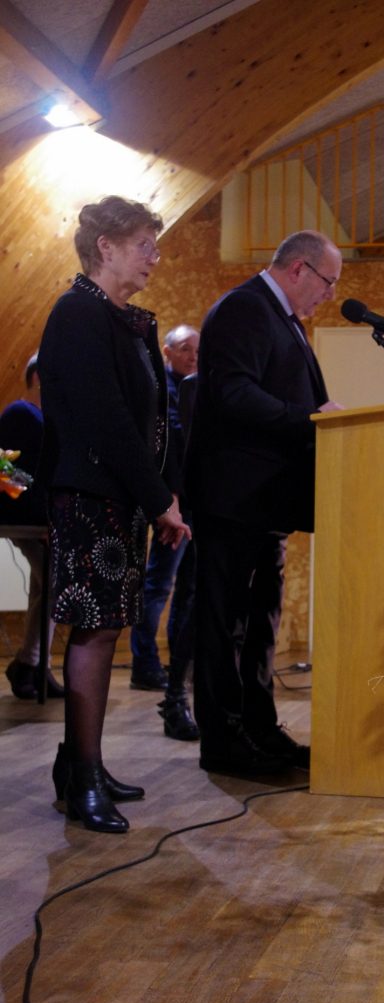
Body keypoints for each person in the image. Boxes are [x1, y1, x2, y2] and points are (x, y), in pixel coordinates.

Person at [38, 195, 191, 833]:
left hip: (118, 498)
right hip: (89, 497)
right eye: (142, 245)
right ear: (105, 247)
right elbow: (106, 419)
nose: (154, 256)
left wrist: (157, 494)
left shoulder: (122, 319)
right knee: (95, 632)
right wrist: (159, 499)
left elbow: (152, 421)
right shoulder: (78, 312)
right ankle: (82, 779)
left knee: (105, 631)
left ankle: (84, 766)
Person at [186, 229, 343, 775]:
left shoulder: (282, 318)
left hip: (265, 503)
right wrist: (309, 418)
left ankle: (258, 728)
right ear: (299, 268)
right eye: (327, 281)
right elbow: (233, 393)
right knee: (226, 623)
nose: (330, 293)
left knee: (259, 623)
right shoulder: (244, 308)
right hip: (233, 497)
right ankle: (224, 741)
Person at [129, 324, 200, 742]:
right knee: (158, 584)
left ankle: (177, 671)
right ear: (168, 352)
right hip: (170, 503)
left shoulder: (197, 388)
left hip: (195, 502)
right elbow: (167, 446)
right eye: (185, 349)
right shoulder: (162, 390)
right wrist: (168, 501)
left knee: (187, 591)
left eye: (197, 350)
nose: (193, 356)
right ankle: (144, 663)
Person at [0, 355, 63, 699]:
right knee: (53, 583)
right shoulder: (21, 414)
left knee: (45, 584)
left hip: (37, 518)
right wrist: (41, 514)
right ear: (39, 377)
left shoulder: (40, 417)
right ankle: (30, 663)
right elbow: (5, 469)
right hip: (26, 519)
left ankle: (35, 666)